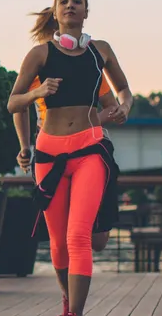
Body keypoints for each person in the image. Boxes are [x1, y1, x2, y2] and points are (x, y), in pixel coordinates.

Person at [8, 0, 131, 316]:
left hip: (90, 148)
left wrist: (123, 107)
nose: (71, 5)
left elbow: (124, 90)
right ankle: (68, 303)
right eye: (64, 1)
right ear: (56, 11)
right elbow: (13, 103)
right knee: (58, 242)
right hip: (49, 155)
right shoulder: (40, 55)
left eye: (77, 1)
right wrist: (37, 92)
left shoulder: (100, 51)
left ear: (86, 12)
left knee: (79, 235)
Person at [13, 76, 119, 252]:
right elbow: (18, 105)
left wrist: (83, 125)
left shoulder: (90, 63)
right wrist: (24, 146)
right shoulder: (36, 63)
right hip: (48, 152)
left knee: (98, 240)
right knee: (61, 238)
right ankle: (70, 277)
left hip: (87, 149)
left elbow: (111, 106)